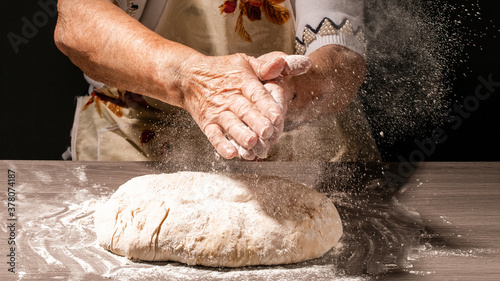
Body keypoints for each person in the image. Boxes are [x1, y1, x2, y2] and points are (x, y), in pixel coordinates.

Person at [55, 0, 380, 162]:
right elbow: (78, 22)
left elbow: (340, 52)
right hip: (141, 140)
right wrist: (190, 79)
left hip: (297, 138)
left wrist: (287, 88)